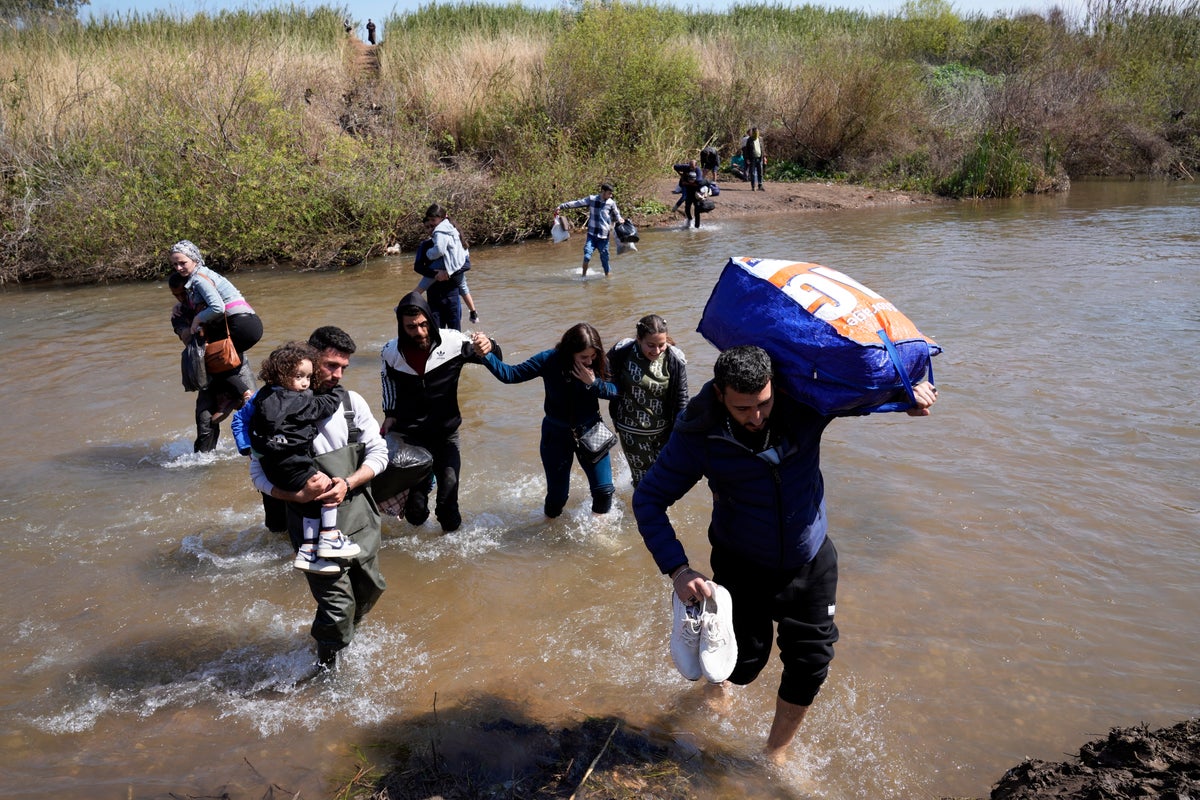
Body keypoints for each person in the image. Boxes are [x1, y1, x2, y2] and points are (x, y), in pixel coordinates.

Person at [632, 345, 937, 762]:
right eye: (743, 408)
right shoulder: (698, 435)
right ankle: (716, 683)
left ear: (775, 388)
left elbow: (859, 391)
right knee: (743, 666)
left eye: (763, 403)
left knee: (811, 662)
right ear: (720, 394)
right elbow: (648, 500)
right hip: (741, 564)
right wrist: (678, 570)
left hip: (810, 560)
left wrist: (907, 395)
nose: (756, 416)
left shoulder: (805, 405)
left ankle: (776, 751)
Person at [249, 326, 389, 671]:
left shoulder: (351, 403)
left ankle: (342, 642)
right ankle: (327, 667)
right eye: (330, 365)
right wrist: (294, 494)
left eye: (343, 368)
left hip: (360, 519)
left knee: (370, 591)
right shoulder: (273, 406)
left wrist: (348, 482)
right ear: (310, 359)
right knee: (337, 606)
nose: (337, 375)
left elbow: (380, 452)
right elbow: (257, 472)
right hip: (311, 528)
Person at [380, 292, 500, 533]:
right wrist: (389, 412)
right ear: (402, 327)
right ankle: (424, 482)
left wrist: (489, 345)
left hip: (446, 434)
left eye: (424, 324)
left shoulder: (453, 342)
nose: (420, 332)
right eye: (411, 327)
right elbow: (387, 381)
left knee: (448, 509)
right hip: (410, 436)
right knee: (415, 514)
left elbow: (494, 358)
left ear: (430, 321)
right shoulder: (391, 352)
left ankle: (454, 560)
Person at [480, 322, 618, 517]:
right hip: (556, 434)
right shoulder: (549, 360)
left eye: (592, 356)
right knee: (557, 497)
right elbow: (510, 374)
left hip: (591, 430)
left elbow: (615, 392)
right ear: (570, 352)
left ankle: (598, 538)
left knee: (604, 493)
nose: (589, 361)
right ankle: (548, 529)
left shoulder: (598, 361)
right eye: (583, 357)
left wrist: (593, 383)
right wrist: (485, 355)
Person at [249, 342, 360, 573]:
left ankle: (308, 552)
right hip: (293, 463)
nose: (305, 383)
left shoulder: (263, 397)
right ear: (280, 375)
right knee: (326, 487)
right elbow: (324, 406)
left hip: (272, 465)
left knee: (310, 504)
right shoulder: (297, 400)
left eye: (309, 377)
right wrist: (339, 391)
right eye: (299, 376)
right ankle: (329, 538)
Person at [168, 272, 255, 453]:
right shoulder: (180, 313)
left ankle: (259, 454)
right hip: (206, 370)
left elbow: (228, 310)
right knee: (204, 419)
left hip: (234, 363)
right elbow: (185, 336)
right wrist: (192, 321)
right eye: (176, 296)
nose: (181, 298)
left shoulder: (212, 303)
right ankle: (204, 463)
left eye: (183, 293)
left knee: (253, 412)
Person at [169, 240, 264, 404]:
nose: (178, 268)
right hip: (247, 322)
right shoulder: (203, 274)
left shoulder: (199, 279)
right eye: (175, 264)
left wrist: (196, 320)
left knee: (212, 361)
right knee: (219, 361)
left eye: (183, 263)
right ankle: (243, 394)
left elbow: (217, 307)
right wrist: (180, 304)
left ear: (194, 259)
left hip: (241, 325)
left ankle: (245, 394)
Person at [607, 314, 689, 487]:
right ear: (638, 339)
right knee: (642, 481)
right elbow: (604, 374)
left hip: (664, 431)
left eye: (661, 345)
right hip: (631, 431)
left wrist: (681, 431)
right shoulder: (623, 351)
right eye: (650, 345)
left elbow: (681, 397)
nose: (656, 351)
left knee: (664, 476)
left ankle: (653, 508)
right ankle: (642, 511)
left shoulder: (674, 359)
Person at [413, 204, 480, 327]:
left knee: (455, 333)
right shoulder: (425, 245)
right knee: (438, 334)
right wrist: (436, 274)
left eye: (433, 225)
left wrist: (447, 274)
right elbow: (418, 267)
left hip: (452, 295)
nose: (431, 228)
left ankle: (473, 311)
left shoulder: (450, 239)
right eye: (427, 227)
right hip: (433, 297)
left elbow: (466, 264)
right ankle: (407, 305)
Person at [556, 183, 625, 277]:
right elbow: (577, 203)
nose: (611, 195)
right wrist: (562, 206)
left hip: (604, 237)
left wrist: (620, 219)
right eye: (609, 193)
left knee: (605, 260)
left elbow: (617, 215)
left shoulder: (611, 203)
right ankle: (583, 277)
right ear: (603, 192)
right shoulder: (592, 199)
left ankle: (608, 277)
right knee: (587, 256)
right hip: (592, 235)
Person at [741, 126, 765, 191]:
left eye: (757, 131)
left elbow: (762, 148)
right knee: (752, 172)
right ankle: (753, 186)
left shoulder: (760, 139)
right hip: (752, 158)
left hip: (760, 157)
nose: (756, 133)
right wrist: (747, 159)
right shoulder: (749, 140)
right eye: (755, 132)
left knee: (760, 172)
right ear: (753, 132)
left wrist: (764, 157)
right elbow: (747, 150)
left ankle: (760, 185)